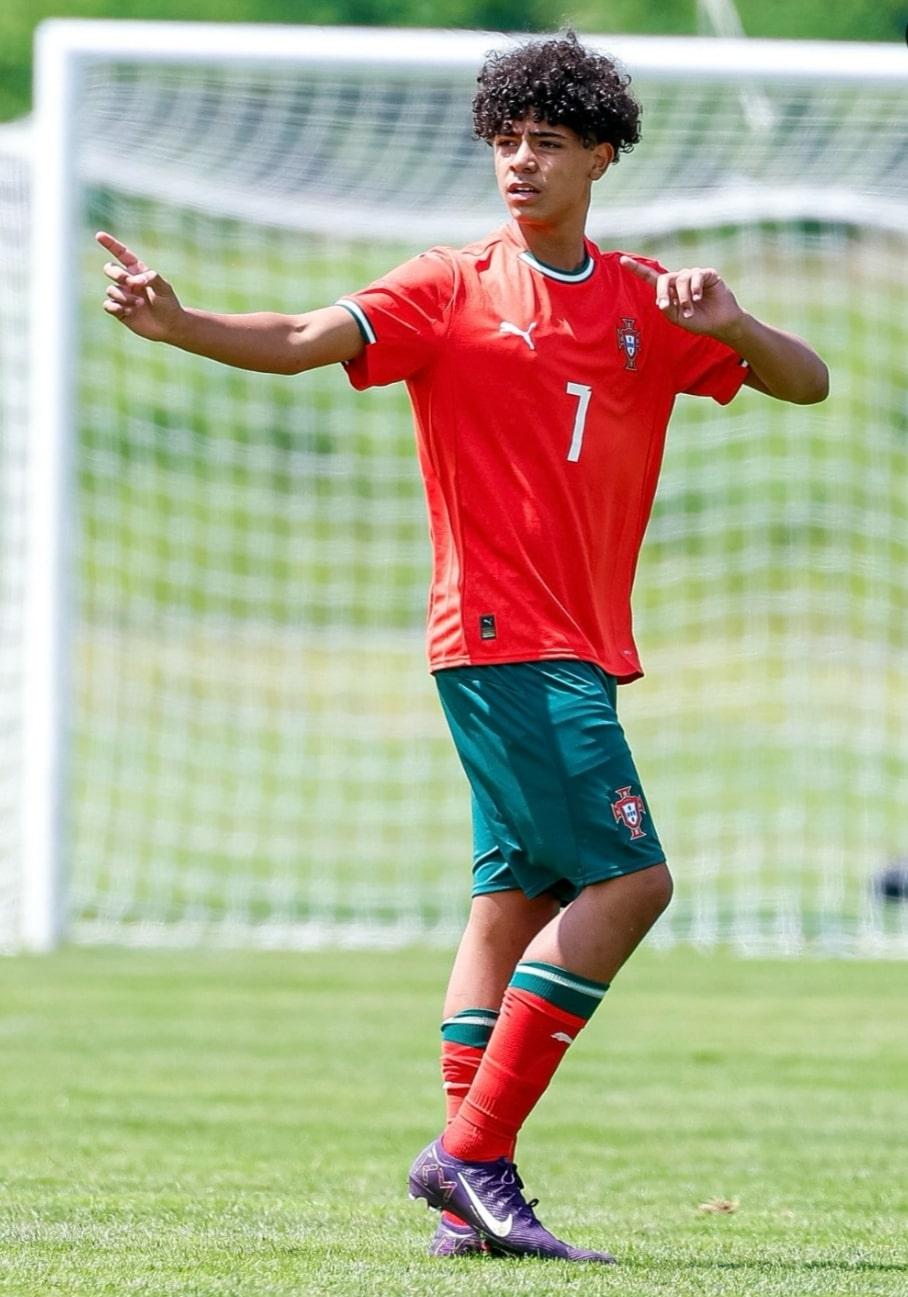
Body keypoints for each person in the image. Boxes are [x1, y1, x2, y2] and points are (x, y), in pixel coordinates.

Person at [98, 31, 828, 1265]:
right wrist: (179, 325)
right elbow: (294, 336)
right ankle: (474, 1154)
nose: (519, 162)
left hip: (572, 644)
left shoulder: (648, 299)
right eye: (504, 141)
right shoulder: (449, 285)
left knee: (513, 902)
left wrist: (740, 322)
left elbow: (803, 384)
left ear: (600, 153)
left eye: (545, 141)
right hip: (502, 636)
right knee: (631, 883)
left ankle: (465, 1192)